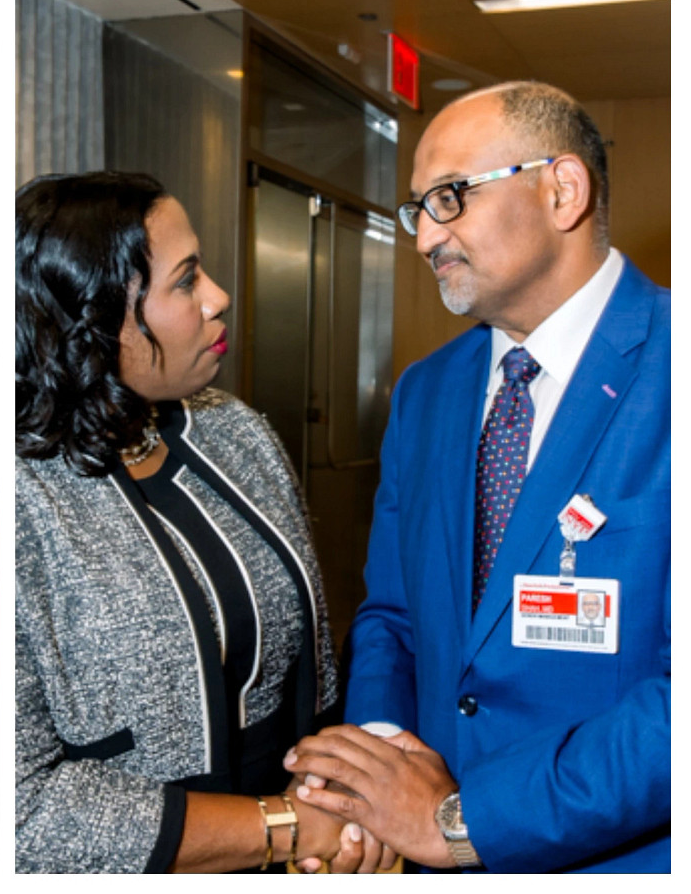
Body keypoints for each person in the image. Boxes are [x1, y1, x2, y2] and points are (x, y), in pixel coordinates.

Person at [285, 81, 668, 873]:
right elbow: (392, 616)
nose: (425, 238)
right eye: (417, 208)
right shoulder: (428, 391)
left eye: (450, 198)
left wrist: (464, 821)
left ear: (562, 189)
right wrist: (375, 782)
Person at [14, 172, 386, 873]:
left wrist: (340, 804)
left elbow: (315, 667)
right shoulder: (18, 499)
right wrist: (284, 825)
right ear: (93, 319)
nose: (218, 295)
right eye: (185, 281)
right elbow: (25, 806)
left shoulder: (233, 429)